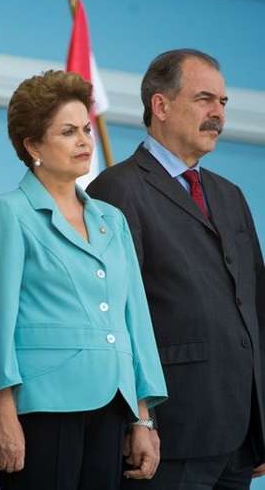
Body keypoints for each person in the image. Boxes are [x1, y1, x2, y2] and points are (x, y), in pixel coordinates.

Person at [0, 70, 168, 490]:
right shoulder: (8, 213)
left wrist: (143, 417)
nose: (84, 140)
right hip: (41, 408)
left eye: (85, 129)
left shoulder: (111, 220)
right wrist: (4, 416)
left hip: (114, 404)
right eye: (67, 131)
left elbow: (136, 322)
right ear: (32, 145)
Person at [87, 49, 265, 489]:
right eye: (205, 99)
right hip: (170, 434)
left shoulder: (230, 195)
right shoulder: (116, 188)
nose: (217, 114)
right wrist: (138, 420)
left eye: (223, 103)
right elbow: (115, 316)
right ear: (160, 106)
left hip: (237, 434)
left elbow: (256, 306)